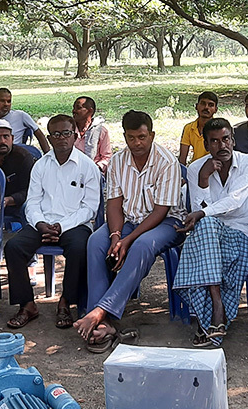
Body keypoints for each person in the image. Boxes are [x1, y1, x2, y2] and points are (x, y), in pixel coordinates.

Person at [75, 110, 185, 352]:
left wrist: (127, 240)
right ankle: (103, 323)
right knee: (95, 242)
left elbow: (160, 210)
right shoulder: (117, 161)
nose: (137, 143)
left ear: (152, 135)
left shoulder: (167, 162)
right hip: (127, 221)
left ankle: (100, 312)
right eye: (131, 138)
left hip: (166, 222)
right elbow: (114, 203)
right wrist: (116, 236)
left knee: (143, 245)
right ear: (124, 137)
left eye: (142, 137)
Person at [4, 115, 100, 331]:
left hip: (75, 224)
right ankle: (27, 305)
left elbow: (90, 207)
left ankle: (66, 301)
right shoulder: (41, 165)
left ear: (74, 136)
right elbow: (33, 202)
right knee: (13, 247)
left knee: (78, 247)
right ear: (49, 138)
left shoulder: (87, 166)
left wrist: (62, 226)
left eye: (66, 133)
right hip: (43, 223)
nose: (61, 138)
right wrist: (40, 224)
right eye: (56, 134)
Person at [173, 118, 248, 347]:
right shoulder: (196, 169)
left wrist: (202, 214)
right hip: (208, 232)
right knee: (208, 227)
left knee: (205, 227)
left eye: (226, 139)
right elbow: (200, 212)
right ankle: (217, 310)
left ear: (233, 139)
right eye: (214, 142)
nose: (222, 146)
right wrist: (203, 179)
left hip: (241, 229)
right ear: (205, 143)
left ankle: (208, 321)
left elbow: (236, 202)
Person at [0, 88, 50, 152]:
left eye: (9, 101)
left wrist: (47, 155)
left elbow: (39, 134)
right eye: (2, 101)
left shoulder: (20, 116)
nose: (6, 104)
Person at [71, 96, 112, 173]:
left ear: (90, 111)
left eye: (78, 108)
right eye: (73, 108)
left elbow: (107, 157)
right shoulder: (69, 129)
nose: (74, 111)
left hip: (94, 172)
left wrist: (96, 168)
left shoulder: (101, 131)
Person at [178, 91, 218, 165]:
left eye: (210, 105)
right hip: (195, 168)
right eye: (203, 103)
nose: (206, 107)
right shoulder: (189, 128)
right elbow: (182, 158)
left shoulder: (219, 129)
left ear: (216, 109)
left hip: (215, 169)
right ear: (196, 106)